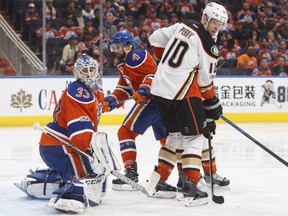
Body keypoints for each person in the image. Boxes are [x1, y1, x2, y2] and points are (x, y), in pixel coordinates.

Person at [148, 2, 228, 206]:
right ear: (205, 18)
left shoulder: (183, 25)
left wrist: (163, 59)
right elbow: (204, 82)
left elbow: (155, 39)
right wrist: (212, 103)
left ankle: (159, 180)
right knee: (194, 137)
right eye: (214, 22)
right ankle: (190, 187)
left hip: (160, 87)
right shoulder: (209, 46)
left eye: (220, 24)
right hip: (180, 92)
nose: (217, 27)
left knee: (174, 136)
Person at [15, 55, 111, 213]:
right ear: (77, 73)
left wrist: (108, 103)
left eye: (91, 70)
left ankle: (48, 180)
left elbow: (95, 108)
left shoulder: (94, 90)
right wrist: (90, 152)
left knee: (97, 179)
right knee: (84, 177)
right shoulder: (78, 91)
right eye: (84, 71)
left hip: (67, 144)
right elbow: (79, 132)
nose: (88, 74)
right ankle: (71, 195)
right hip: (58, 145)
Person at [102, 30, 177, 197]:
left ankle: (131, 173)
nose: (115, 50)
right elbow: (126, 88)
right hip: (162, 100)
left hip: (153, 99)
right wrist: (113, 99)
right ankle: (186, 176)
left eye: (118, 47)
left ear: (128, 46)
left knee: (125, 132)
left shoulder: (135, 56)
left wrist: (144, 89)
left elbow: (153, 74)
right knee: (168, 140)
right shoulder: (123, 62)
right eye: (114, 47)